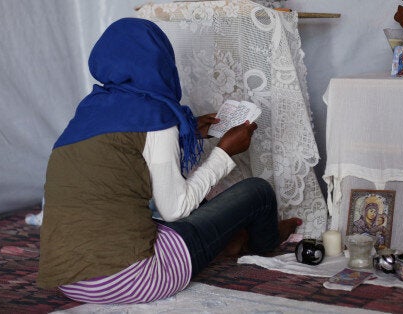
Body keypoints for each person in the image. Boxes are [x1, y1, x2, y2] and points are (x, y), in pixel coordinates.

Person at [37, 18, 300, 304]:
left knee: (165, 213)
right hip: (134, 278)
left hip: (71, 282)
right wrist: (224, 151)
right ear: (161, 63)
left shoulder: (88, 112)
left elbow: (125, 162)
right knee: (256, 192)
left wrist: (185, 130)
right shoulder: (153, 115)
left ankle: (231, 240)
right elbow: (175, 208)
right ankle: (265, 241)